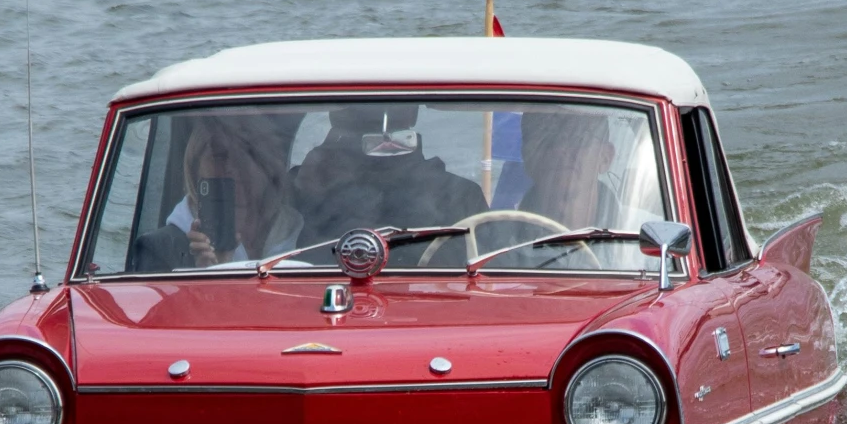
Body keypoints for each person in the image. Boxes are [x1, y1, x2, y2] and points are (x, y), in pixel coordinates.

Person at [291, 104, 485, 251]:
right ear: (412, 114)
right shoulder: (460, 193)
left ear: (336, 114)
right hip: (435, 298)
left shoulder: (302, 183)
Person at [130, 114, 302, 272]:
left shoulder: (310, 239)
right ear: (195, 168)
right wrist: (208, 275)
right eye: (219, 156)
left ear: (269, 167)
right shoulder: (159, 250)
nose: (234, 167)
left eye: (249, 153)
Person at [516, 108, 618, 230]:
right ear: (528, 157)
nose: (561, 149)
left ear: (605, 157)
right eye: (549, 140)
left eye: (579, 138)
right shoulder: (497, 241)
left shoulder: (640, 233)